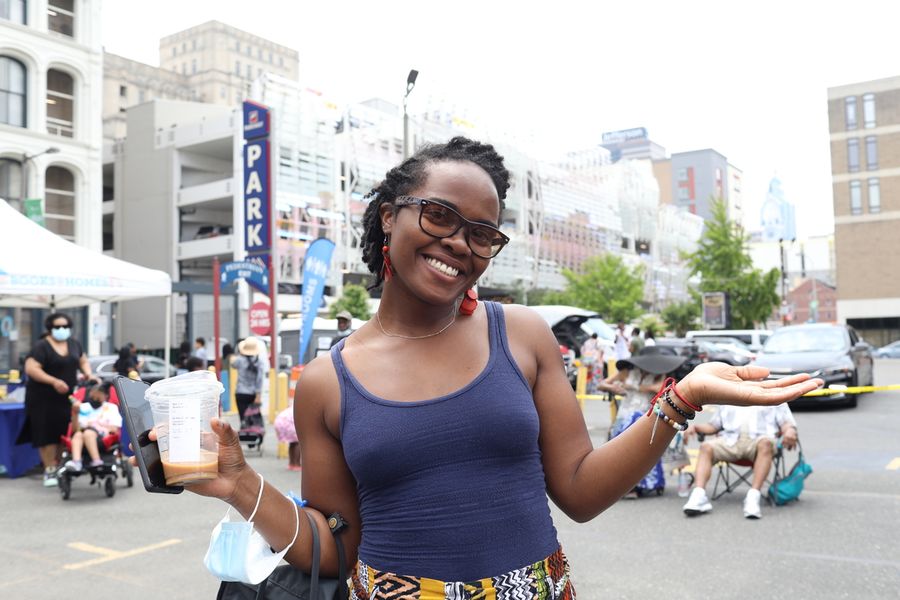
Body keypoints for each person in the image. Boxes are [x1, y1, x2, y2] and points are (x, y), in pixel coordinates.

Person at [165, 137, 820, 597]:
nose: (459, 243)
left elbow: (582, 492)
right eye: (440, 215)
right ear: (390, 216)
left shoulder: (523, 335)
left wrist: (683, 400)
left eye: (483, 233)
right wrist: (238, 485)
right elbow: (336, 547)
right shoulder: (325, 382)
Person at [20, 313, 98, 486]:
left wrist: (88, 374)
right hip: (43, 397)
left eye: (65, 326)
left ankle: (60, 465)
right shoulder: (42, 346)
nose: (61, 330)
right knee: (46, 434)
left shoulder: (74, 343)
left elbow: (83, 360)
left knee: (65, 432)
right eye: (57, 327)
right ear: (50, 329)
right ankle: (49, 469)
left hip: (67, 396)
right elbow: (31, 368)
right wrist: (53, 381)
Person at [681, 403, 799, 519]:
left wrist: (790, 431)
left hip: (759, 442)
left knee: (766, 443)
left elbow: (787, 423)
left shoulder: (774, 393)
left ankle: (753, 496)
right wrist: (695, 427)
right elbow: (714, 426)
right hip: (730, 441)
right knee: (706, 447)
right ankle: (699, 495)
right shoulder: (728, 393)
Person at [598, 347, 687, 498]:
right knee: (627, 428)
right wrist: (614, 387)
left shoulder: (659, 375)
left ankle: (640, 484)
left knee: (638, 424)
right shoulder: (627, 372)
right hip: (625, 415)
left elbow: (658, 388)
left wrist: (633, 387)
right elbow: (602, 384)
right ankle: (622, 484)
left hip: (647, 415)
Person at [64, 382, 122, 472]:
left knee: (88, 433)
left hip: (102, 439)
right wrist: (75, 413)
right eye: (92, 397)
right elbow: (75, 430)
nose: (94, 399)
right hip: (82, 437)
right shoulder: (83, 407)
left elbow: (114, 428)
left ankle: (96, 460)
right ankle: (76, 462)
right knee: (78, 434)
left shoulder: (111, 408)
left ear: (106, 396)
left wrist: (97, 425)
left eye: (97, 398)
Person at [232, 337, 265, 421]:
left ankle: (243, 433)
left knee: (243, 418)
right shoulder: (259, 362)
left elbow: (233, 364)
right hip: (252, 394)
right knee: (252, 418)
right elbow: (259, 380)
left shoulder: (239, 360)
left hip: (240, 393)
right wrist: (258, 395)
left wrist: (240, 353)